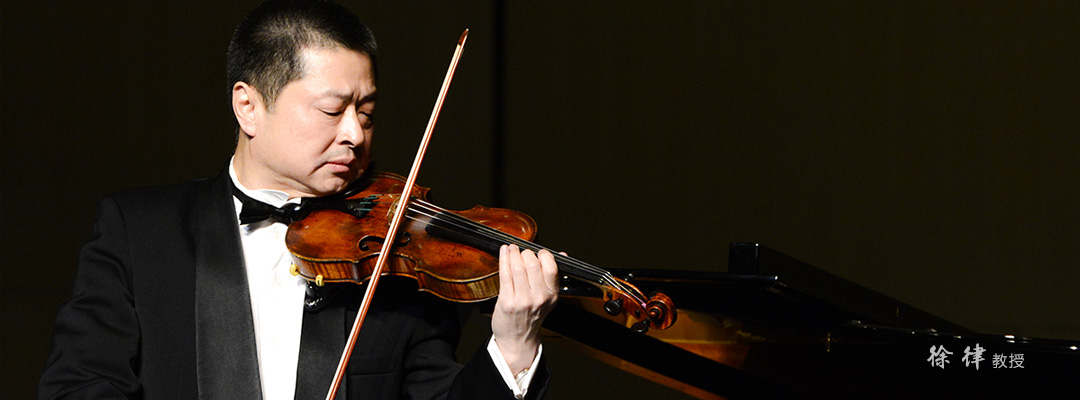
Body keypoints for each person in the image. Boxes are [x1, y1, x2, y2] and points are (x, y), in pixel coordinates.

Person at [37, 1, 559, 399]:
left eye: (367, 113)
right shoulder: (139, 231)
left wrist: (513, 344)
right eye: (332, 111)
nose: (354, 134)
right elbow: (79, 387)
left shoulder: (392, 264)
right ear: (248, 106)